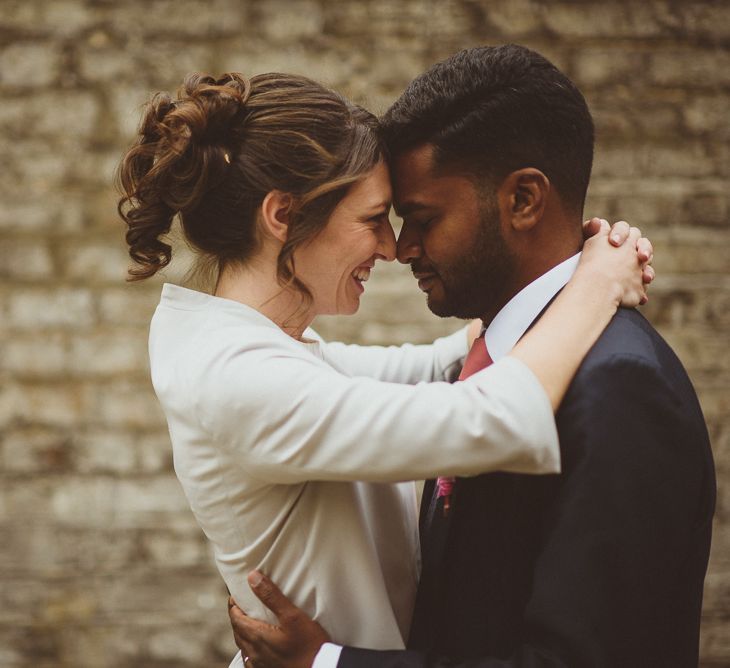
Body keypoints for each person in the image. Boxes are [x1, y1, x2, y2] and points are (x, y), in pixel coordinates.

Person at [116, 71, 650, 665]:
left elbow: (426, 370)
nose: (393, 247)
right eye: (373, 219)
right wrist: (596, 283)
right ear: (284, 215)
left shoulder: (259, 344)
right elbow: (494, 418)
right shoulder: (236, 376)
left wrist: (530, 286)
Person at [227, 46, 715, 668]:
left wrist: (330, 664)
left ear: (523, 201)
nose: (401, 248)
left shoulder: (621, 387)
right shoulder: (497, 358)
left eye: (423, 219)